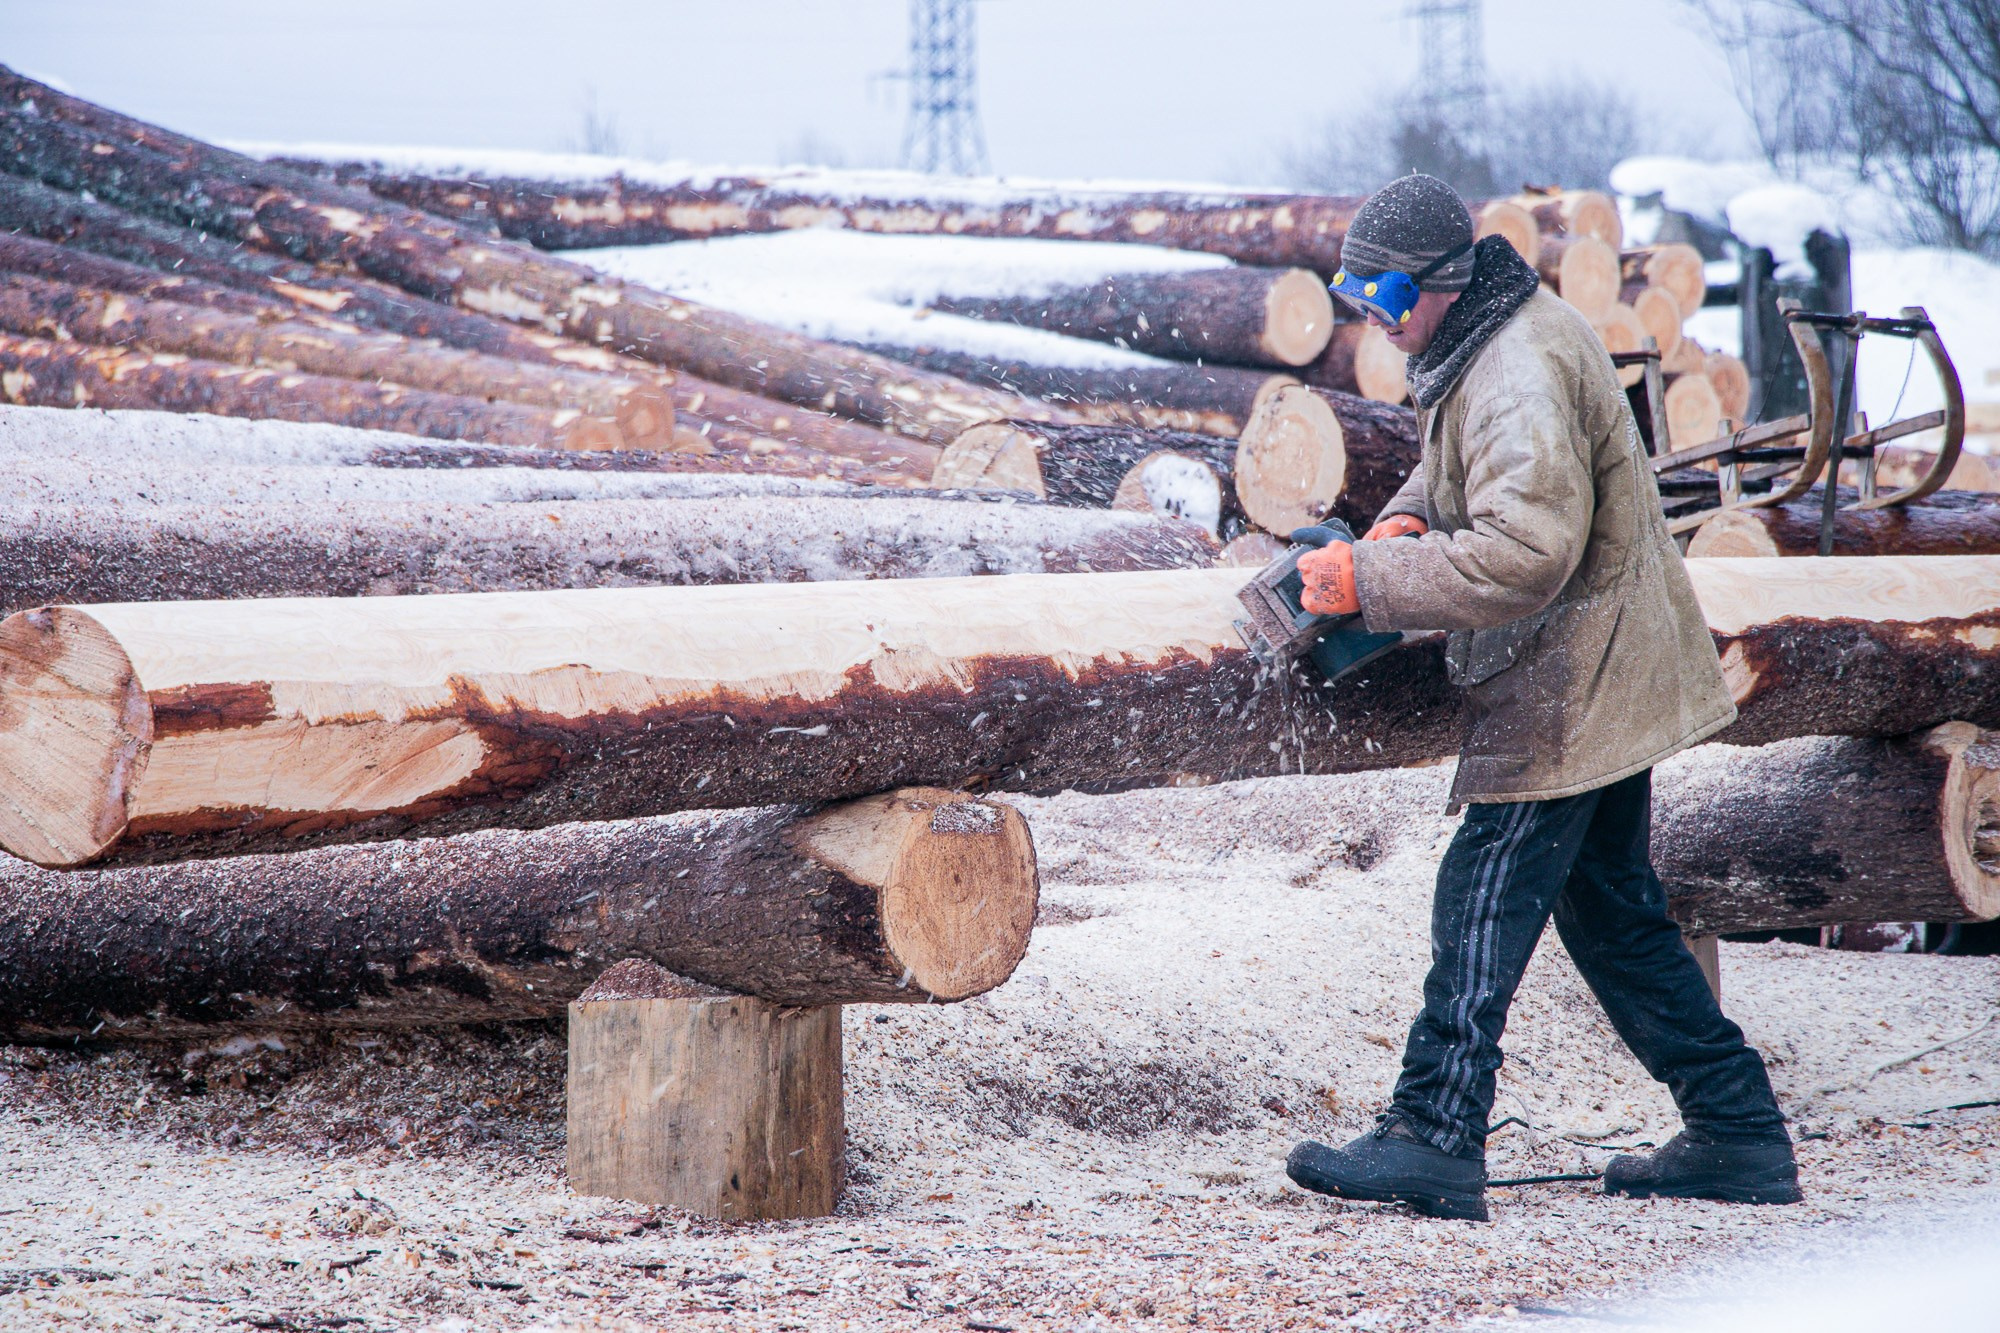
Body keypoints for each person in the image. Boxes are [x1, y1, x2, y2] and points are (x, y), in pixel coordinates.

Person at [1280, 174, 1798, 1223]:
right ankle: (1737, 1131)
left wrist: (1365, 585)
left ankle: (1432, 1133)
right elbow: (1471, 471)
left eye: (1382, 299)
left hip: (1573, 672)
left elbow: (1525, 548)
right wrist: (1398, 524)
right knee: (1610, 917)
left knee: (1479, 896)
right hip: (1589, 658)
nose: (1375, 322)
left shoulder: (1512, 362)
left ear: (1432, 283)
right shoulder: (1484, 335)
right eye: (1359, 300)